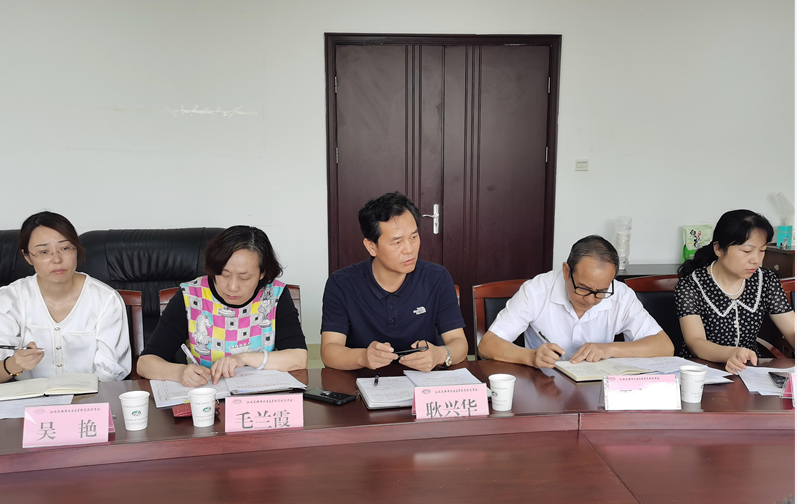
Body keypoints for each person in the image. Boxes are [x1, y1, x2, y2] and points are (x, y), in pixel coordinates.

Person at [137, 226, 307, 387]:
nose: (232, 287)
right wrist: (180, 372)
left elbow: (299, 358)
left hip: (258, 398)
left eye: (244, 277)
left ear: (262, 274)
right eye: (224, 274)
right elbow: (145, 363)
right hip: (208, 396)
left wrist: (243, 358)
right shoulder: (191, 295)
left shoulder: (275, 295)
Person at [320, 192, 467, 372]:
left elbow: (459, 343)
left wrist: (440, 354)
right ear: (371, 246)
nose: (409, 249)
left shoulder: (437, 277)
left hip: (424, 381)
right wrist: (363, 357)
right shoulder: (341, 283)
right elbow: (329, 351)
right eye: (397, 242)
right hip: (362, 381)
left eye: (414, 237)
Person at [478, 235, 673, 368]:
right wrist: (531, 356)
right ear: (566, 271)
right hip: (545, 385)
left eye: (601, 291)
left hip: (597, 389)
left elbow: (665, 346)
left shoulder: (621, 295)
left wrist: (609, 349)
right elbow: (487, 345)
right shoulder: (537, 290)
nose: (591, 300)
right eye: (583, 289)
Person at [0, 211, 131, 382]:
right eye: (44, 252)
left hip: (92, 395)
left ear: (76, 249)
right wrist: (13, 365)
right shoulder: (9, 299)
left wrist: (81, 395)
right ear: (27, 257)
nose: (57, 259)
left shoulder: (106, 299)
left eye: (65, 248)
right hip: (27, 397)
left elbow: (111, 372)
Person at [675, 210, 794, 374]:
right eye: (746, 251)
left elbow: (792, 330)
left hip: (749, 370)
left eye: (762, 250)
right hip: (701, 371)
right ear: (718, 249)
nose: (756, 260)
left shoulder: (766, 280)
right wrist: (731, 353)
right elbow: (695, 342)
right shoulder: (691, 285)